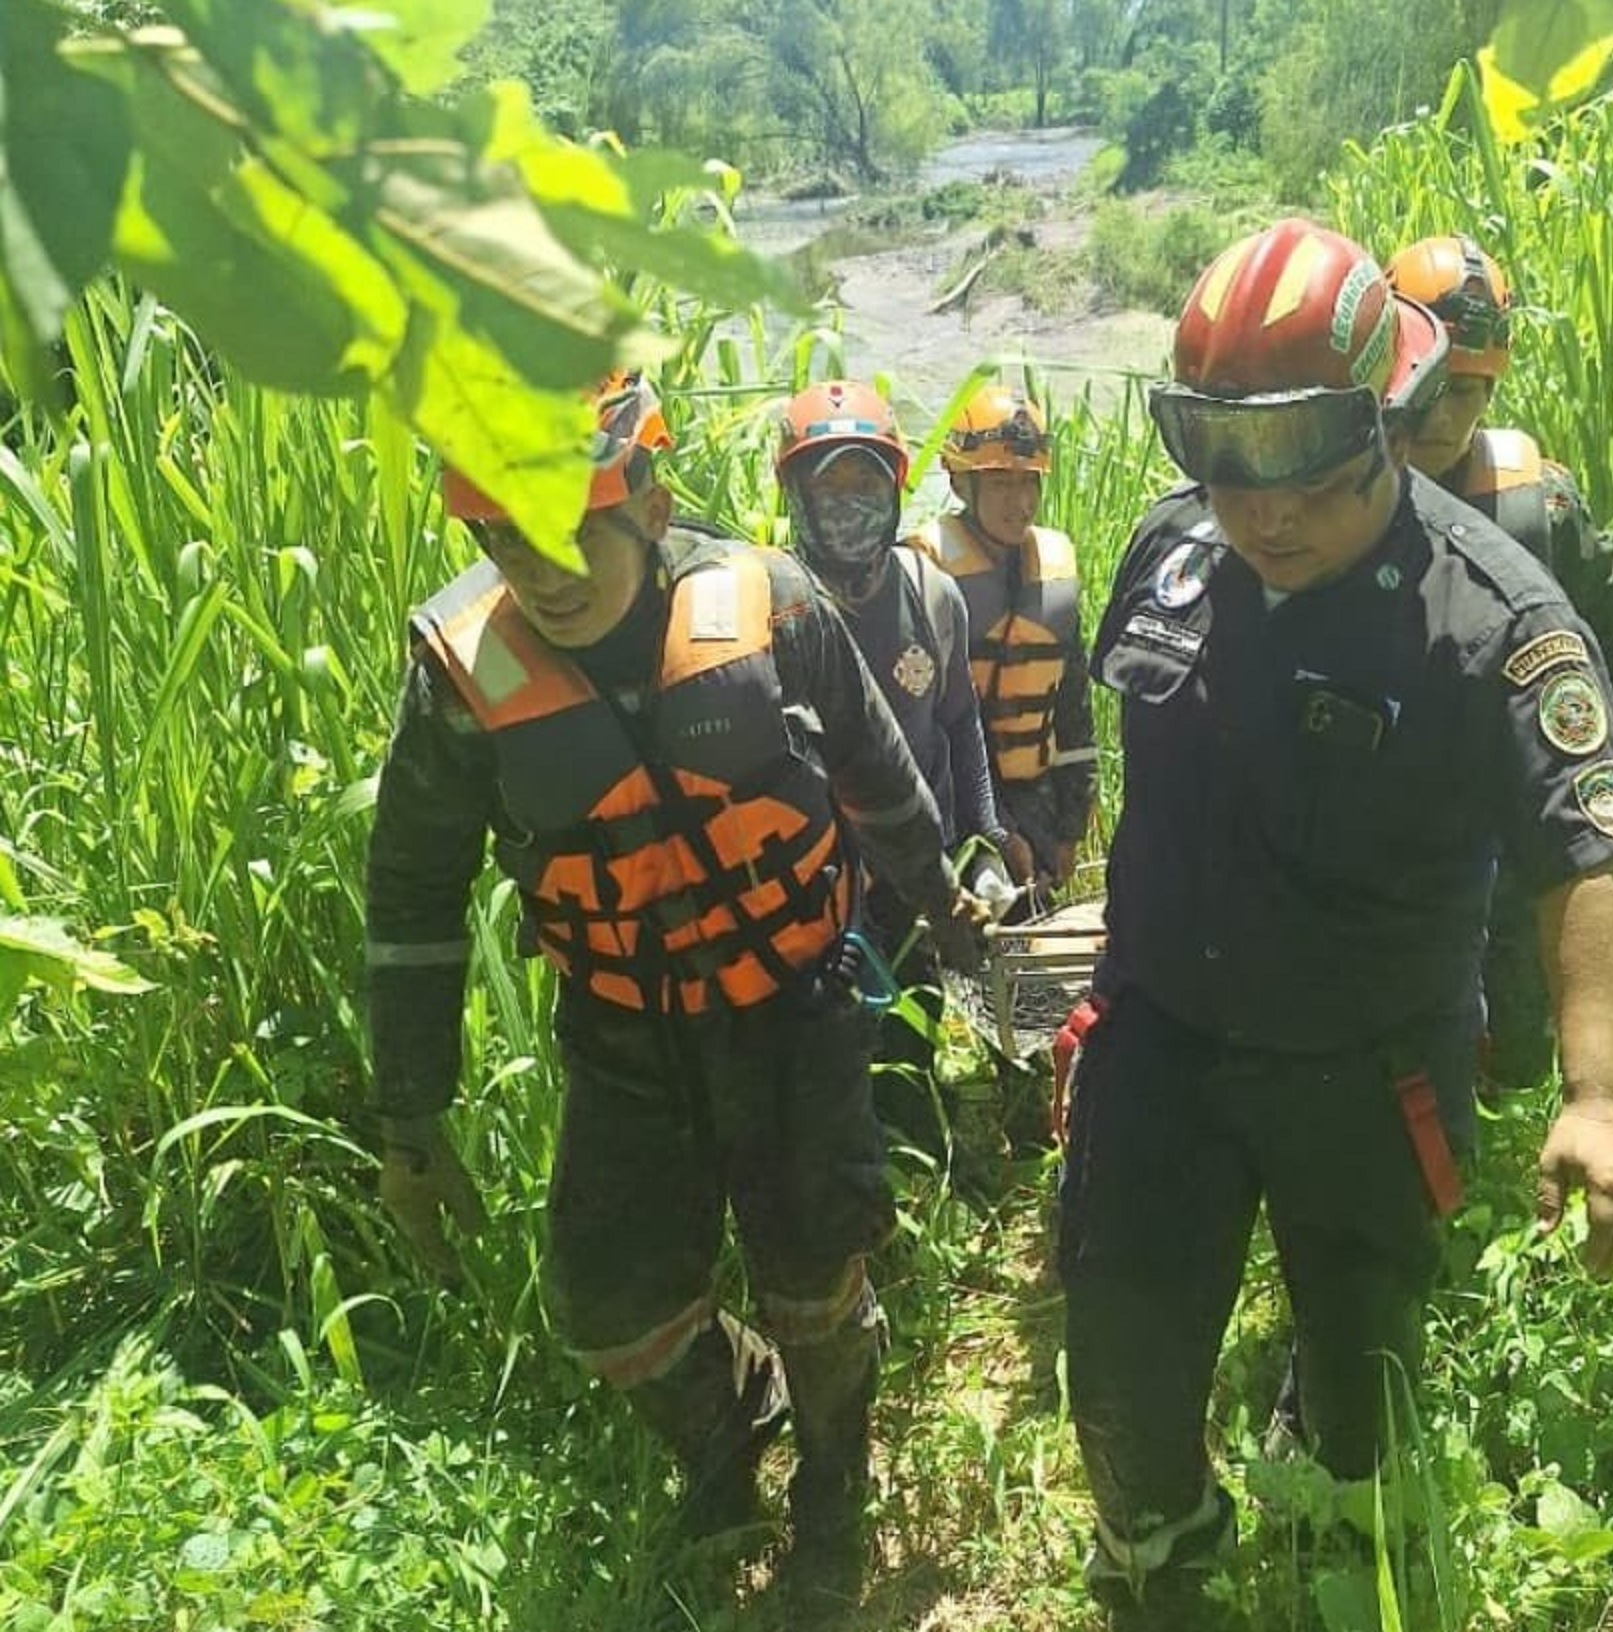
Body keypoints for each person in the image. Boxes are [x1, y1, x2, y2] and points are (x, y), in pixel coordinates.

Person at [1059, 220, 1613, 1628]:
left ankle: (1349, 1554)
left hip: (1366, 1069)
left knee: (1359, 1374)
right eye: (1223, 467)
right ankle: (1164, 1567)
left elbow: (1585, 858)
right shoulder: (1171, 552)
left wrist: (1601, 1094)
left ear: (1385, 414)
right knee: (1123, 1360)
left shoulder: (1493, 618)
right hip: (1163, 1045)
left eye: (1310, 479)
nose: (1263, 514)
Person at [363, 374, 985, 1624]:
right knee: (612, 1311)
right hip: (622, 1036)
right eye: (505, 539)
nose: (542, 571)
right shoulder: (461, 679)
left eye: (572, 527)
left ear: (644, 498)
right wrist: (410, 1121)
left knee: (817, 1279)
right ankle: (733, 1415)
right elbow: (412, 903)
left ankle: (831, 1487)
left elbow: (881, 782)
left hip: (795, 1013)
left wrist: (952, 917)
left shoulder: (779, 606)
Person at [1388, 234, 1613, 1092]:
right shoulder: (1337, 493)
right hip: (1391, 824)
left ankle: (1510, 1116)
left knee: (1520, 1031)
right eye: (1433, 388)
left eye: (1473, 393)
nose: (1447, 418)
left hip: (1512, 809)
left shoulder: (1537, 500)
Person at [773, 379, 1008, 1160]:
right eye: (828, 484)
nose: (849, 503)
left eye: (866, 483)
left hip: (918, 882)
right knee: (826, 1078)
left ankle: (921, 1175)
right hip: (813, 895)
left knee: (911, 1043)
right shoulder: (768, 613)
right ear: (794, 494)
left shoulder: (932, 598)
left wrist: (987, 845)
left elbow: (959, 729)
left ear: (896, 490)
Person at [908, 384, 1097, 909]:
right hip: (960, 796)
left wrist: (1070, 825)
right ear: (962, 483)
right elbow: (935, 723)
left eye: (1028, 482)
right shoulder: (927, 572)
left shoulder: (1054, 564)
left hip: (1035, 794)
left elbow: (1073, 708)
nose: (1020, 503)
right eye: (1000, 484)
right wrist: (996, 829)